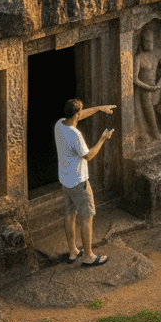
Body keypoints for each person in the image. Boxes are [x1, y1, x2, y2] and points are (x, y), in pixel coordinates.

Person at [54, 97, 116, 265]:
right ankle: (88, 256)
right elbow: (88, 155)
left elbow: (78, 116)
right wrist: (103, 138)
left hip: (65, 180)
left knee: (69, 213)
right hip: (79, 181)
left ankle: (73, 250)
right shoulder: (75, 135)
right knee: (87, 217)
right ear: (78, 114)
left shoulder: (59, 125)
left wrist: (99, 108)